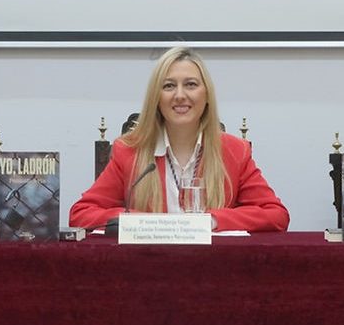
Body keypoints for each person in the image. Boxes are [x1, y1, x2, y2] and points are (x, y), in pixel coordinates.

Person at [69, 47, 289, 232]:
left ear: (207, 96)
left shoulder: (234, 151)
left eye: (191, 84)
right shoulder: (129, 151)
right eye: (169, 86)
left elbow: (276, 215)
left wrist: (210, 221)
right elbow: (81, 215)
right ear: (156, 98)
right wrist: (144, 222)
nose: (180, 95)